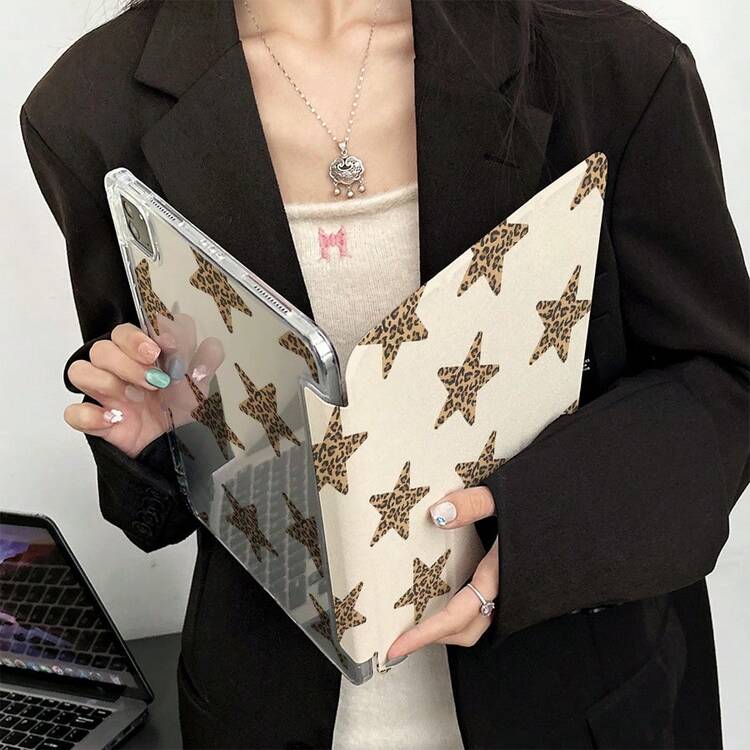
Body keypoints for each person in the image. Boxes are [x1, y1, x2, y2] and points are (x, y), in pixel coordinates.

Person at [20, 0, 749, 748]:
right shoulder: (89, 108)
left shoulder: (611, 63)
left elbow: (721, 388)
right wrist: (150, 438)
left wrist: (539, 537)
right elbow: (161, 500)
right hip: (268, 712)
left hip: (575, 698)